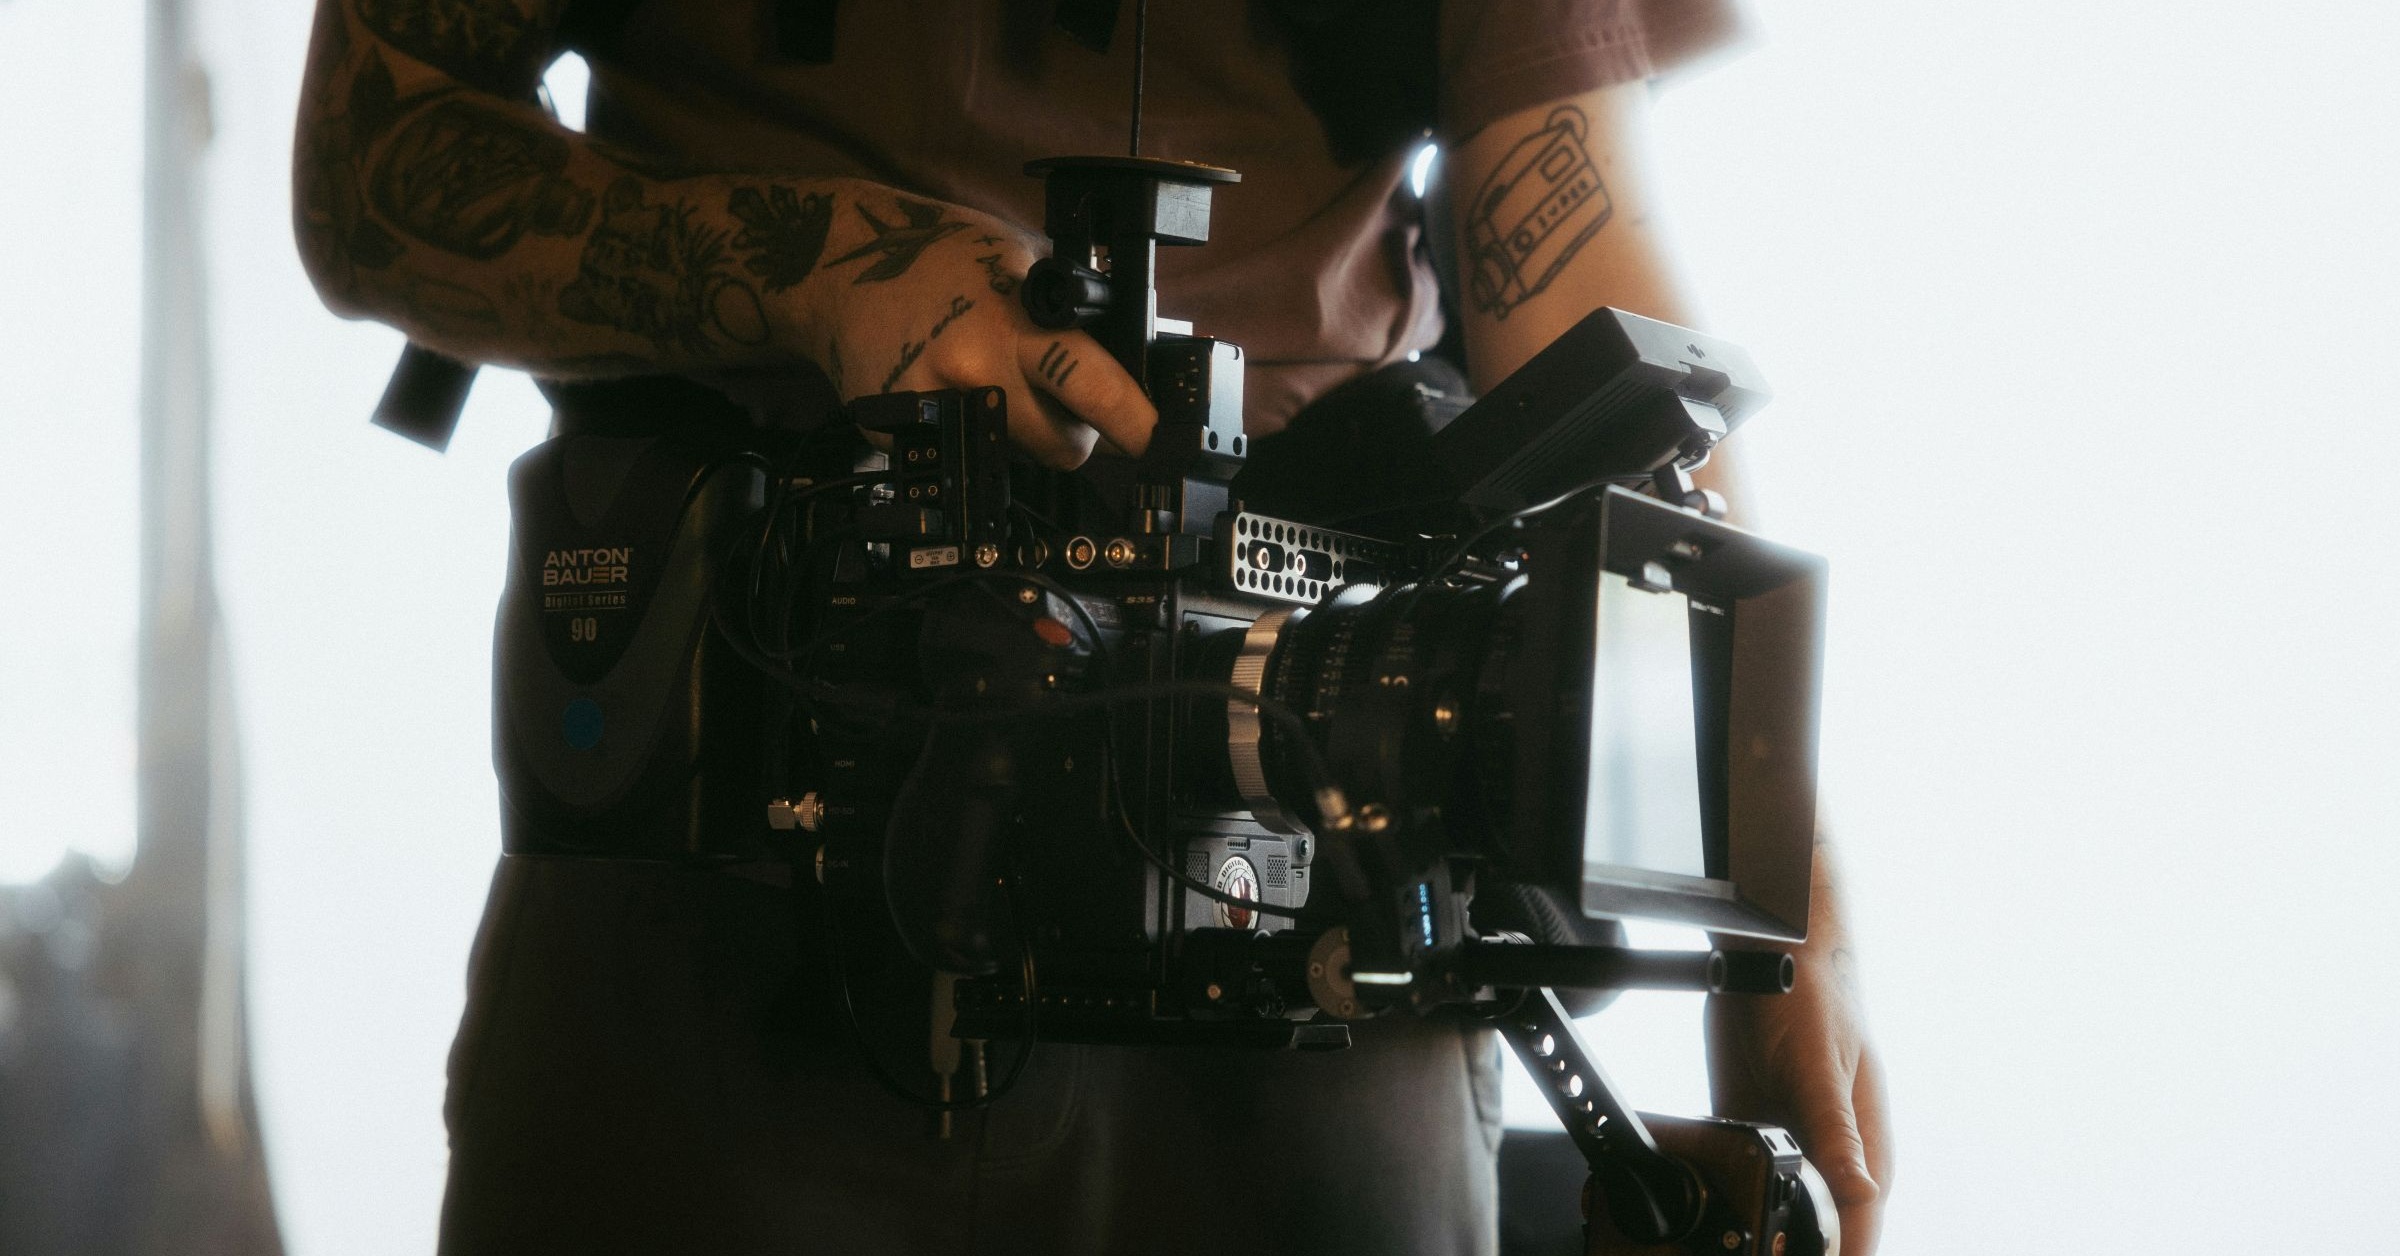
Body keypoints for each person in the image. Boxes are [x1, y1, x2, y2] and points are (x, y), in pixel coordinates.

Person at [293, 1, 1891, 1252]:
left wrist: (1778, 879)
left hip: (1322, 860)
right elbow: (377, 162)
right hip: (728, 850)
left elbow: (1575, 263)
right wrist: (823, 270)